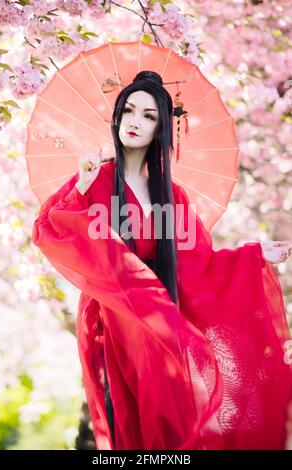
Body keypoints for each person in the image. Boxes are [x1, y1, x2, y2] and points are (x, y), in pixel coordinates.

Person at [32, 70, 292, 450]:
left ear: (161, 129)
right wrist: (81, 191)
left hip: (159, 314)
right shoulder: (92, 178)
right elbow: (47, 229)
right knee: (125, 422)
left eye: (149, 116)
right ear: (117, 116)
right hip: (111, 315)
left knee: (170, 423)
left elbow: (199, 263)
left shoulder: (172, 195)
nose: (135, 122)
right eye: (129, 110)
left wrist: (251, 255)